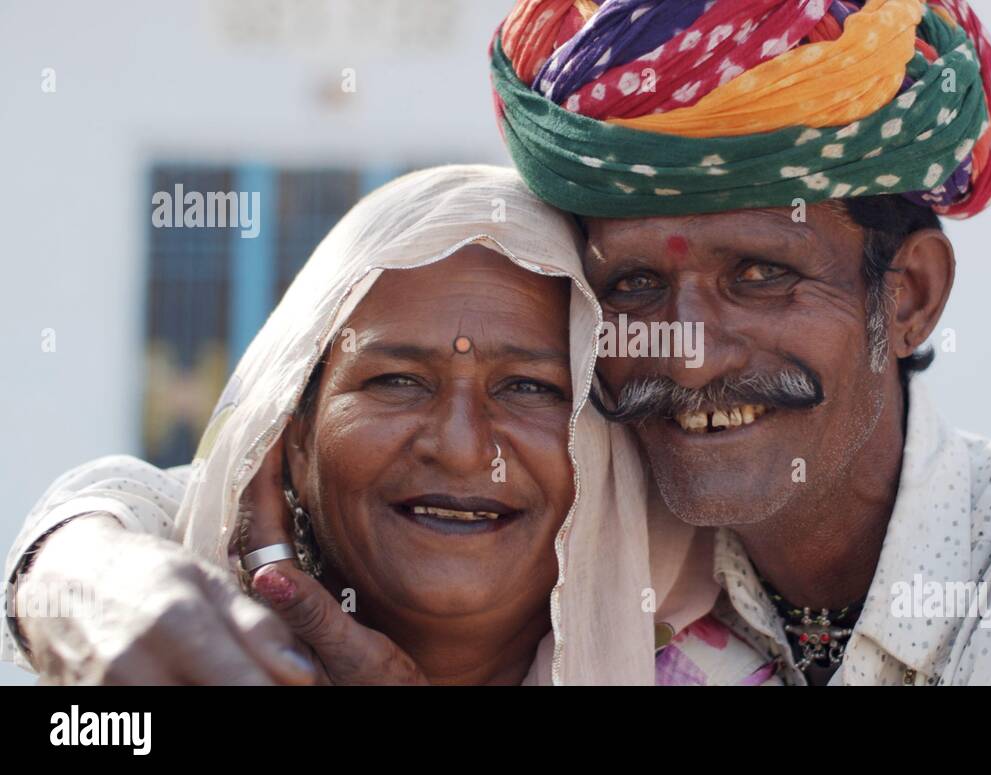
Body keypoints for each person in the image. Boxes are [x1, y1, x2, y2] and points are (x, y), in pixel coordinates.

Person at [6, 0, 991, 685]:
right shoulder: (625, 487)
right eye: (634, 281)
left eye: (761, 275)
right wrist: (77, 565)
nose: (684, 355)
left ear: (905, 295)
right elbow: (198, 503)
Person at [2, 164, 773, 685]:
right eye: (397, 380)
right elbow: (110, 528)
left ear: (607, 446)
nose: (463, 445)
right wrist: (76, 567)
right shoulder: (170, 652)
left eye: (530, 387)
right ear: (290, 433)